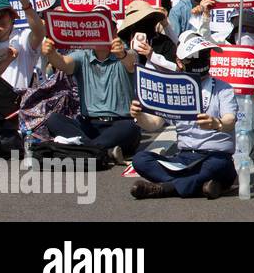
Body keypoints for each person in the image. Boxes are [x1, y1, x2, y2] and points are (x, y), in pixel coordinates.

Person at [128, 32, 238, 199]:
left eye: (205, 56)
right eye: (194, 58)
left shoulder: (223, 88)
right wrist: (140, 115)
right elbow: (155, 123)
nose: (202, 61)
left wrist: (217, 123)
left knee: (217, 165)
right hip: (184, 157)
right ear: (180, 62)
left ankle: (164, 188)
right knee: (140, 159)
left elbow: (230, 120)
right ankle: (200, 186)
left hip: (215, 156)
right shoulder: (173, 87)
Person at [41, 30, 141, 164]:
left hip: (119, 123)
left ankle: (83, 151)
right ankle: (102, 152)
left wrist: (122, 54)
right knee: (53, 119)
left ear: (113, 33)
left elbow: (131, 62)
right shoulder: (82, 56)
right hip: (89, 124)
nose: (99, 36)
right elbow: (63, 63)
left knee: (130, 127)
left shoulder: (126, 53)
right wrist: (51, 53)